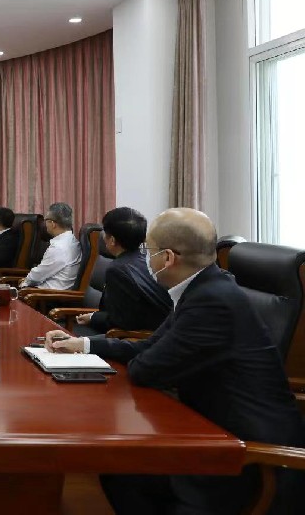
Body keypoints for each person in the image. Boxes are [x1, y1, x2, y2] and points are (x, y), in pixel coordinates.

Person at [45, 208, 305, 515]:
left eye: (149, 250)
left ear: (167, 258)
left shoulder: (211, 301)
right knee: (120, 470)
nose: (145, 257)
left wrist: (140, 356)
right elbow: (151, 346)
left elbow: (145, 369)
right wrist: (85, 344)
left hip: (250, 461)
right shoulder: (205, 287)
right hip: (215, 432)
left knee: (124, 473)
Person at [74, 207, 171, 336]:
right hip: (160, 332)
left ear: (112, 240)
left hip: (133, 338)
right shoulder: (149, 259)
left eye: (105, 233)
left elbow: (120, 322)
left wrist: (93, 318)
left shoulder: (117, 270)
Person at [20, 202, 81, 289]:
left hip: (47, 295)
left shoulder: (58, 247)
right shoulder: (72, 240)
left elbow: (37, 275)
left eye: (46, 220)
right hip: (54, 291)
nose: (45, 224)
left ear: (53, 224)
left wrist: (24, 282)